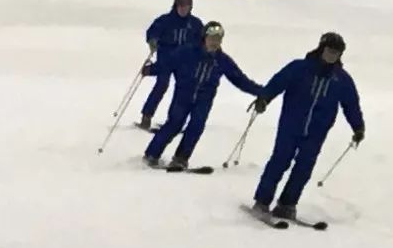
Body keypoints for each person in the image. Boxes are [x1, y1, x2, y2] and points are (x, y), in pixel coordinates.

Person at [249, 32, 365, 221]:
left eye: (336, 53)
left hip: (317, 131)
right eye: (329, 51)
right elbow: (278, 82)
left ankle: (287, 204)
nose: (332, 55)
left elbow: (351, 104)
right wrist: (264, 98)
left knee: (304, 168)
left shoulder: (342, 79)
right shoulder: (300, 68)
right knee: (280, 161)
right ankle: (262, 201)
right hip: (291, 125)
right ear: (321, 49)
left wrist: (358, 127)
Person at [140, 21, 263, 169]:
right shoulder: (187, 51)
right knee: (174, 123)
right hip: (183, 95)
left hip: (204, 98)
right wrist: (151, 69)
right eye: (212, 38)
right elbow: (167, 63)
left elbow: (240, 79)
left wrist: (262, 92)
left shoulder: (222, 60)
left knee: (196, 126)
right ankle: (152, 154)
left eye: (218, 39)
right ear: (204, 37)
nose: (214, 42)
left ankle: (181, 158)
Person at [140, 0, 204, 129]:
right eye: (181, 6)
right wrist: (153, 42)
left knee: (182, 90)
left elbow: (202, 40)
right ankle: (146, 116)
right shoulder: (165, 20)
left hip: (185, 62)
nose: (183, 9)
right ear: (176, 6)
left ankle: (174, 122)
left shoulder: (195, 24)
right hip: (166, 58)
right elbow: (152, 32)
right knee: (162, 85)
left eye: (186, 6)